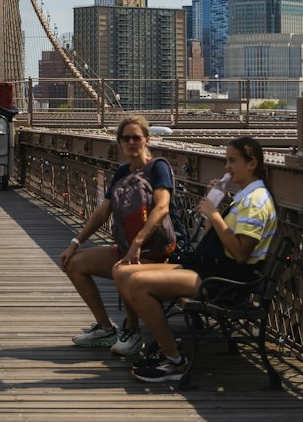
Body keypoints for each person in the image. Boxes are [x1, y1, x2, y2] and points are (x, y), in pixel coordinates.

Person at [112, 135, 277, 383]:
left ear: (251, 163)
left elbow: (241, 254)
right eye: (226, 161)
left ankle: (174, 359)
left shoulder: (255, 202)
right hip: (212, 269)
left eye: (232, 161)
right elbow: (214, 237)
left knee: (137, 284)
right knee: (123, 271)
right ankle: (145, 338)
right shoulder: (244, 197)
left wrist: (216, 215)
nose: (227, 168)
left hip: (226, 281)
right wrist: (216, 203)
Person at [60, 114, 178, 357]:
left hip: (156, 253)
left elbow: (162, 207)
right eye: (126, 138)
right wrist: (75, 242)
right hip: (127, 250)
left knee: (123, 269)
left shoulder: (158, 167)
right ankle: (105, 328)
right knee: (73, 263)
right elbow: (102, 213)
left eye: (136, 137)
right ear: (120, 143)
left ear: (146, 139)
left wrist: (138, 242)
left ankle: (133, 333)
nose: (131, 142)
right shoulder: (122, 172)